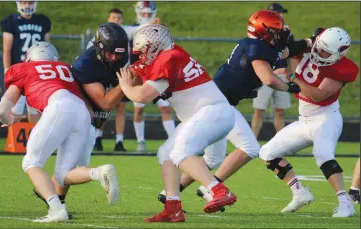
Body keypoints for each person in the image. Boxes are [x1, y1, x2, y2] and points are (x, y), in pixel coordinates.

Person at [157, 10, 307, 210]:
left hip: (216, 103)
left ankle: (169, 194)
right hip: (218, 105)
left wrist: (309, 43)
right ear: (263, 32)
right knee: (250, 148)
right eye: (275, 31)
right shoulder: (256, 47)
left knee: (213, 158)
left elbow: (285, 51)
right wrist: (288, 87)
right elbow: (268, 79)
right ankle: (213, 190)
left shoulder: (258, 45)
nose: (280, 35)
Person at [118, 24, 238, 223]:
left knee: (179, 153)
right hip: (205, 115)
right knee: (166, 153)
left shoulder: (168, 58)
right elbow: (136, 71)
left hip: (213, 112)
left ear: (154, 47)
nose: (141, 57)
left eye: (143, 52)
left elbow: (141, 96)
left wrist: (125, 86)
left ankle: (219, 190)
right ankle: (172, 207)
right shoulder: (167, 54)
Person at [0, 42, 119, 223]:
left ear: (30, 58)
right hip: (82, 112)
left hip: (58, 106)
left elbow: (1, 111)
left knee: (31, 162)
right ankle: (99, 173)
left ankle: (56, 209)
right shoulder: (65, 68)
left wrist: (9, 120)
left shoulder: (23, 69)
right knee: (63, 175)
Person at [32, 23, 130, 218]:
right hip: (74, 115)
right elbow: (104, 102)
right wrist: (129, 82)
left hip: (85, 115)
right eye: (110, 53)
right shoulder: (86, 64)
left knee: (71, 169)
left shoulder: (119, 56)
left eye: (118, 54)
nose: (114, 58)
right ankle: (95, 175)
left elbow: (108, 97)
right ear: (99, 47)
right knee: (60, 168)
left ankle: (56, 203)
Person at [259, 27, 359, 217]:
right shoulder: (312, 45)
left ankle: (345, 202)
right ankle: (300, 193)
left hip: (325, 118)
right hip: (304, 120)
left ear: (340, 52)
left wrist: (291, 76)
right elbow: (287, 51)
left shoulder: (342, 68)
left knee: (322, 154)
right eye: (320, 48)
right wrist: (286, 38)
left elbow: (318, 95)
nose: (320, 53)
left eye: (326, 52)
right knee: (267, 152)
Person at [131, 1, 175, 152]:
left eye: (149, 13)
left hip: (158, 73)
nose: (146, 16)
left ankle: (174, 140)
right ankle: (140, 141)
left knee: (165, 108)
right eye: (143, 13)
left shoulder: (160, 31)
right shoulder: (133, 30)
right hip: (141, 73)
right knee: (139, 109)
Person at [86, 8, 129, 152]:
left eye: (119, 18)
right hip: (103, 75)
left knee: (120, 108)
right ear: (108, 19)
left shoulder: (124, 34)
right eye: (114, 17)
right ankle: (97, 137)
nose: (116, 20)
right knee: (102, 105)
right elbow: (90, 54)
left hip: (120, 74)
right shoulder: (100, 37)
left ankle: (119, 141)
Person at [1, 1, 51, 123]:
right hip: (19, 71)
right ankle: (13, 140)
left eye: (30, 2)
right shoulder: (11, 21)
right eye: (24, 2)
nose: (27, 5)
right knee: (15, 109)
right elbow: (7, 49)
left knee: (35, 109)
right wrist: (7, 69)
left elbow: (47, 47)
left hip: (37, 71)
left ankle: (35, 140)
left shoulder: (43, 21)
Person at [251, 3, 292, 138]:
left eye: (281, 13)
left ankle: (281, 143)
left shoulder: (287, 32)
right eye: (278, 13)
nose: (281, 15)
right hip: (265, 74)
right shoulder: (261, 32)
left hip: (282, 75)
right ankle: (251, 142)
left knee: (280, 110)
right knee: (259, 109)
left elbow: (292, 54)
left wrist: (290, 72)